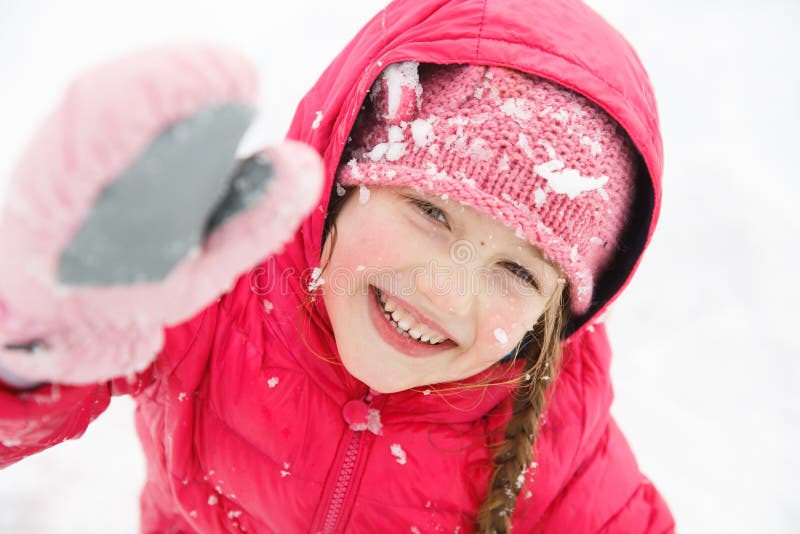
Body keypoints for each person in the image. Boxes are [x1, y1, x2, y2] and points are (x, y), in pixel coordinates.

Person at [0, 0, 675, 532]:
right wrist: (33, 341)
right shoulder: (215, 289)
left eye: (518, 271)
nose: (444, 289)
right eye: (431, 213)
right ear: (343, 181)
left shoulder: (557, 436)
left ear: (555, 314)